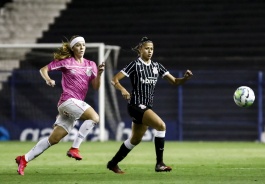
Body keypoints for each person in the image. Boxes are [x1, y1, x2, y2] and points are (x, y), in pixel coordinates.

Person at [15, 35, 105, 175]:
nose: (81, 47)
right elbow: (43, 69)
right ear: (72, 48)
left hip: (75, 105)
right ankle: (74, 148)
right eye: (78, 45)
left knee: (54, 139)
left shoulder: (91, 64)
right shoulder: (66, 62)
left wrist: (99, 74)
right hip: (67, 101)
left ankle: (24, 159)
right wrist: (48, 79)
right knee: (94, 117)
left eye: (83, 45)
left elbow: (96, 87)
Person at [106, 36, 193, 174]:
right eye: (147, 48)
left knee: (135, 140)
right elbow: (114, 79)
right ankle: (159, 164)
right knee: (161, 125)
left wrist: (185, 78)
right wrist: (122, 89)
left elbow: (175, 82)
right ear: (140, 49)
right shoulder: (135, 65)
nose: (150, 51)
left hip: (146, 106)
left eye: (152, 49)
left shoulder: (157, 66)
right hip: (136, 105)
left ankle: (112, 163)